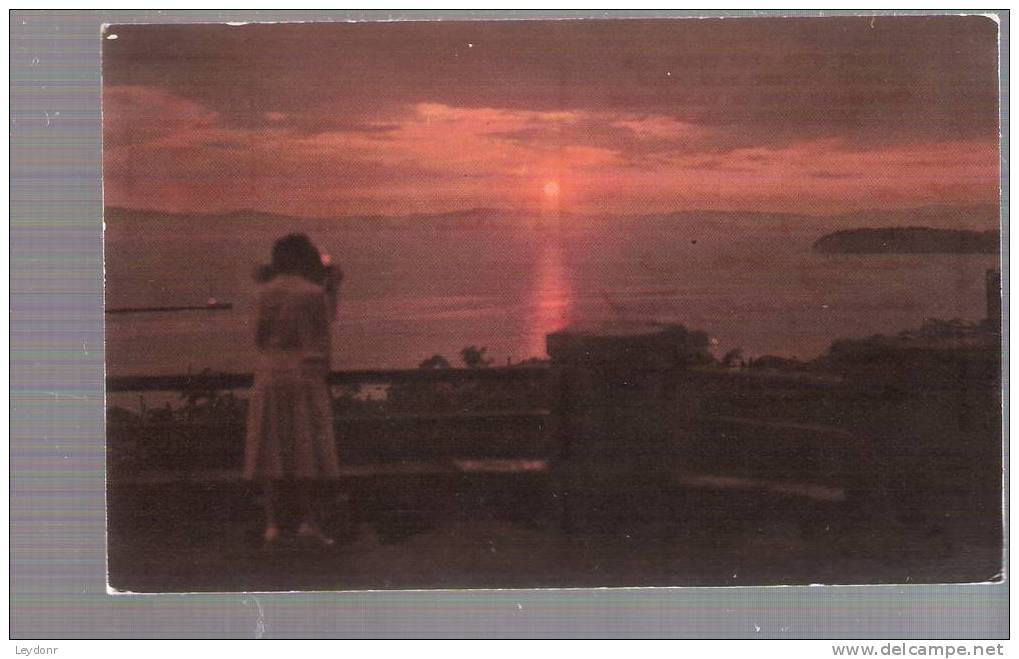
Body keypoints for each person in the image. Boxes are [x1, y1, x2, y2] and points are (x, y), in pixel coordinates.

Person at [244, 233, 342, 549]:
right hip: (304, 376)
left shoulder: (262, 293)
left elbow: (258, 338)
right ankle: (309, 523)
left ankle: (272, 524)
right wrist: (333, 288)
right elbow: (323, 332)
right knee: (307, 450)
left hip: (270, 375)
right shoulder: (313, 293)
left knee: (271, 448)